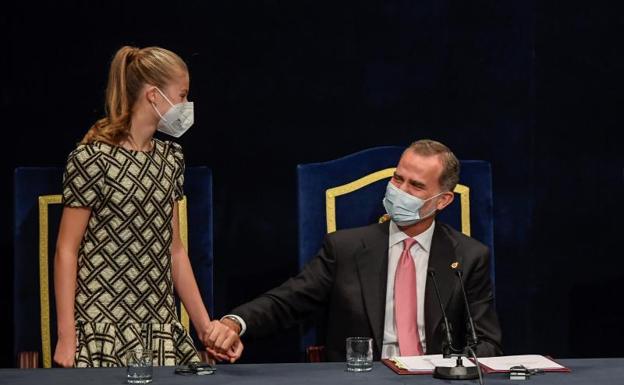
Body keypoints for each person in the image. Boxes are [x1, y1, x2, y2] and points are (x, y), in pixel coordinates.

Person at [214, 139, 502, 361]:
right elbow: (288, 301)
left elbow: (487, 343)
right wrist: (235, 323)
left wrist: (452, 366)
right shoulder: (345, 249)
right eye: (397, 178)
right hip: (362, 377)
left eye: (415, 186)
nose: (400, 190)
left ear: (443, 200)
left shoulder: (467, 257)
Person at [53, 46, 242, 367]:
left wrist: (205, 328)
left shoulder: (170, 159)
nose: (186, 105)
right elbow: (66, 250)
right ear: (154, 95)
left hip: (158, 321)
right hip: (104, 324)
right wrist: (67, 336)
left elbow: (175, 250)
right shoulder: (92, 158)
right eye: (182, 95)